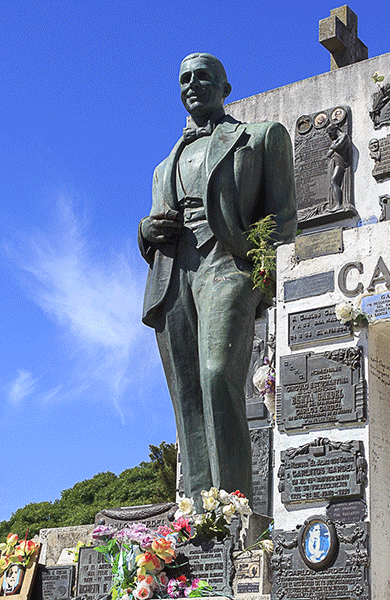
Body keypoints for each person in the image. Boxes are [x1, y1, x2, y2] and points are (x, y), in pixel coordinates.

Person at [139, 53, 296, 498]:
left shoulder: (261, 138)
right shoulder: (162, 166)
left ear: (225, 87)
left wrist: (262, 271)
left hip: (228, 264)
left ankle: (232, 510)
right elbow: (153, 224)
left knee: (216, 375)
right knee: (187, 398)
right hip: (172, 275)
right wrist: (143, 231)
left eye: (203, 77)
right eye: (184, 78)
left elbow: (284, 216)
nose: (192, 84)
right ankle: (197, 517)